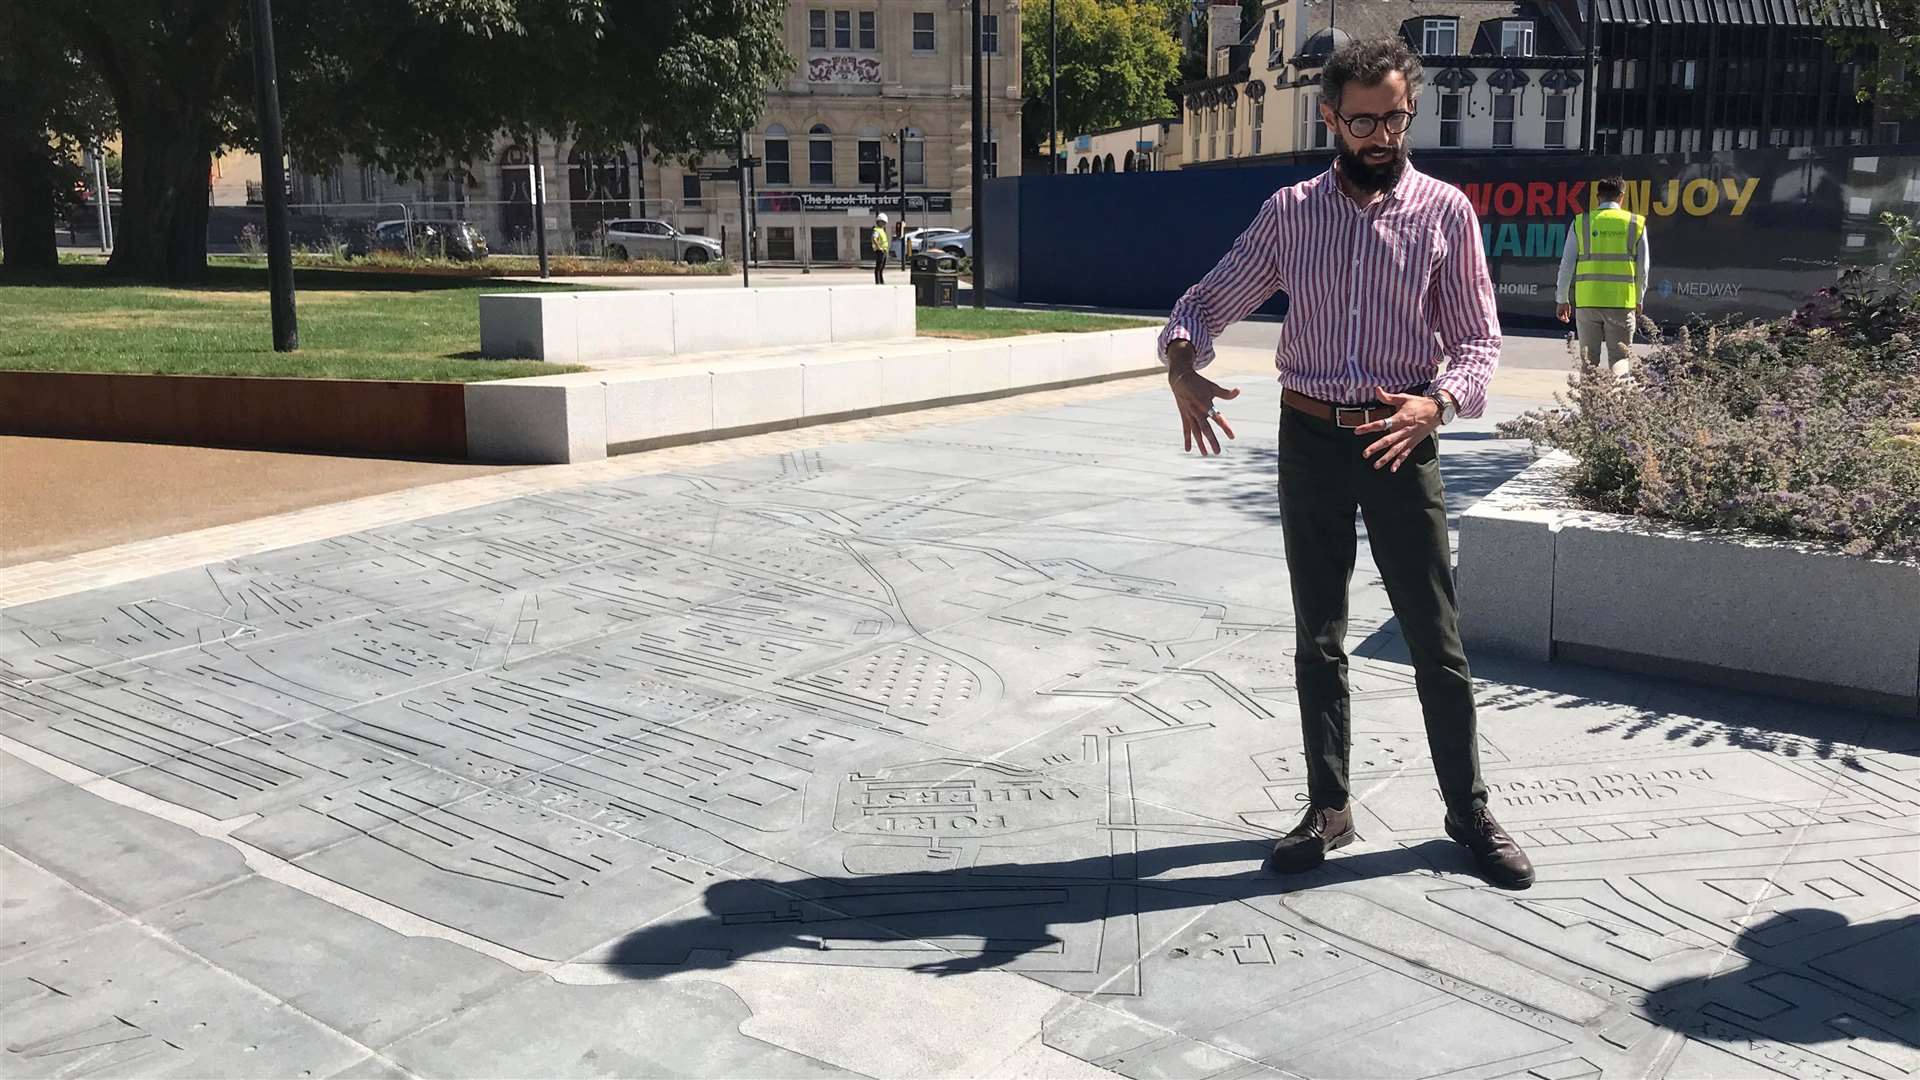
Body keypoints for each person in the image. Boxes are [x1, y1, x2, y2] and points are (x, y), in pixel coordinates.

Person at [1158, 36, 1534, 890]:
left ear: (1409, 112)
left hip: (1402, 435)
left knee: (1436, 637)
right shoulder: (1292, 212)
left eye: (1394, 117)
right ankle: (1329, 808)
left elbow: (1478, 342)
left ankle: (1467, 808)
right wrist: (1182, 362)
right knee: (1318, 634)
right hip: (1312, 441)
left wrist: (1436, 404)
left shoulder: (1445, 213)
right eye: (1362, 120)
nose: (1380, 135)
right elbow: (1205, 300)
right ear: (1329, 117)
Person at [1556, 176, 1650, 377]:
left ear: (1597, 197)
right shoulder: (1636, 223)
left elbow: (1567, 264)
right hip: (1621, 302)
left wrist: (1562, 298)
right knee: (1620, 358)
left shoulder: (1582, 222)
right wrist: (1639, 299)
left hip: (1588, 302)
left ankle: (1590, 406)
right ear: (1622, 197)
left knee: (1589, 361)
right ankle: (1615, 405)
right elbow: (1643, 269)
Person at [871, 212, 890, 284]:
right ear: (879, 222)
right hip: (880, 251)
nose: (884, 224)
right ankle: (878, 282)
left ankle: (881, 282)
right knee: (878, 268)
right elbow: (874, 238)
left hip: (884, 251)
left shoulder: (882, 230)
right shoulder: (877, 230)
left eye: (885, 222)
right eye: (883, 222)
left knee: (882, 268)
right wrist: (879, 247)